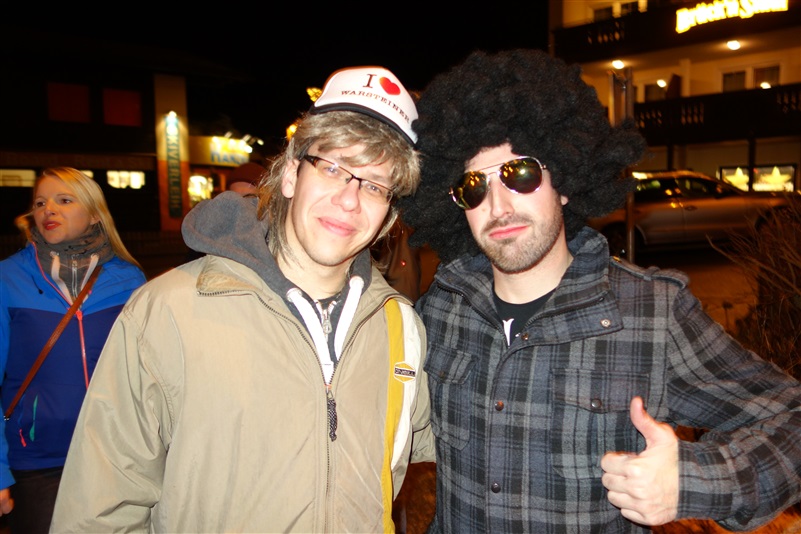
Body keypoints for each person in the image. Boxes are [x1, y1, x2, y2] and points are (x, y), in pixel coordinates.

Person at [399, 48, 801, 533]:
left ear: (564, 180)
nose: (498, 206)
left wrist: (694, 480)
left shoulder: (651, 314)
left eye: (520, 173)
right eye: (472, 187)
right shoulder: (443, 307)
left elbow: (792, 418)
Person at [50, 65, 434, 533]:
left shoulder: (400, 328)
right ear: (290, 174)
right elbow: (100, 508)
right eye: (333, 167)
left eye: (374, 184)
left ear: (389, 212)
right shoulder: (169, 311)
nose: (350, 200)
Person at [0, 167, 146, 534]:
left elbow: (147, 374)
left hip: (114, 454)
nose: (48, 209)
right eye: (40, 203)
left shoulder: (129, 279)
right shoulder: (8, 278)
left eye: (64, 200)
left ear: (95, 213)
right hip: (37, 460)